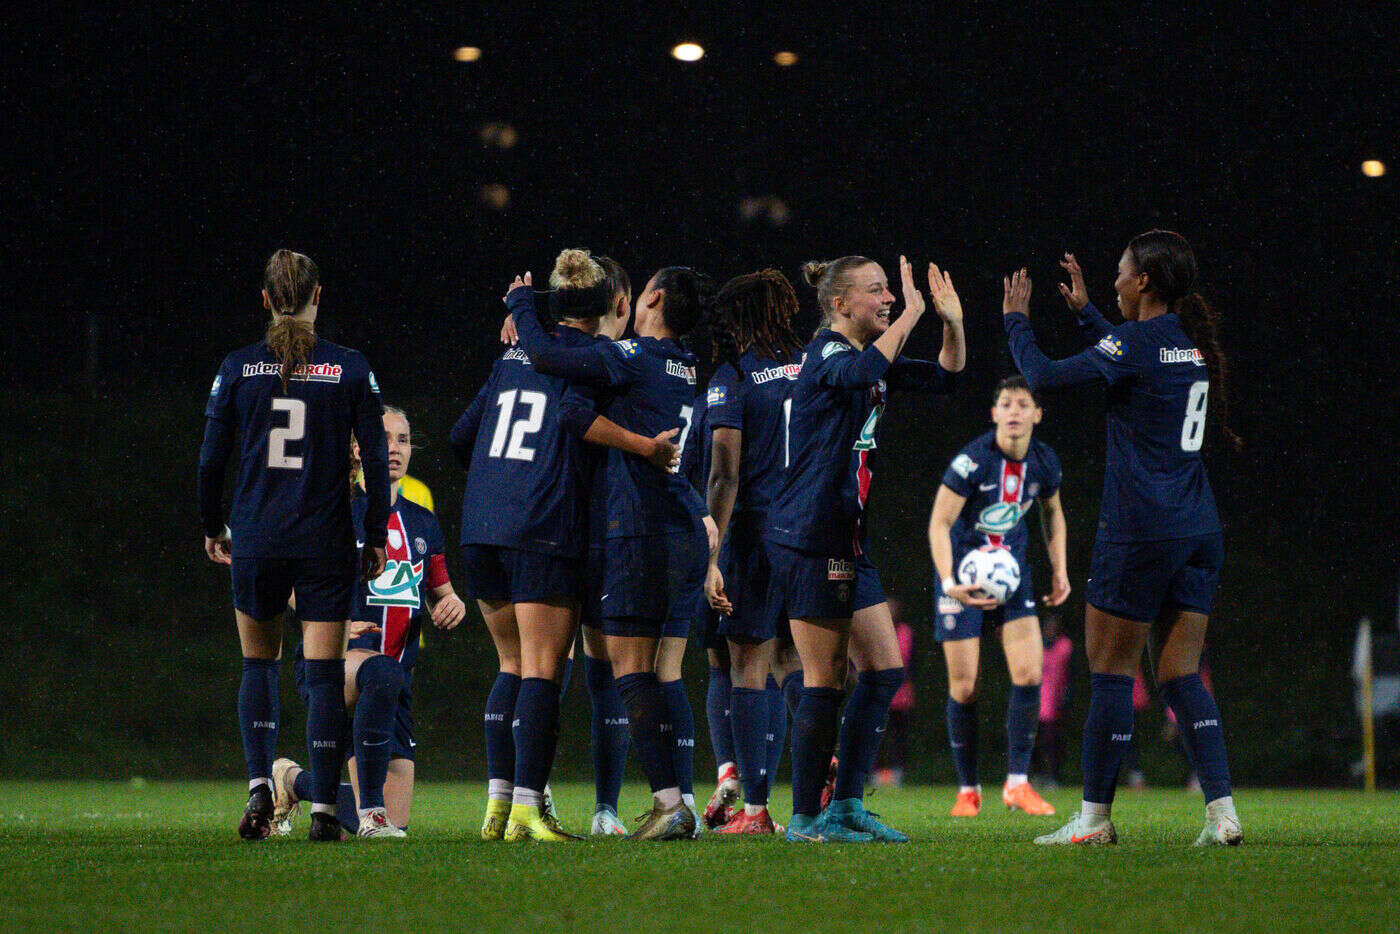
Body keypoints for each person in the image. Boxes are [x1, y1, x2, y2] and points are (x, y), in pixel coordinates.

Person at [1003, 238, 1243, 846]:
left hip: (1139, 532)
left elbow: (1042, 377)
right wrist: (1087, 312)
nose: (1112, 282)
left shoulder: (1135, 344)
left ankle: (1094, 820)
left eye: (1119, 274)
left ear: (1143, 282)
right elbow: (1133, 353)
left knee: (1110, 671)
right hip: (1198, 528)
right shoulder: (1182, 346)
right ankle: (1222, 815)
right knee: (1181, 674)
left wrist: (1016, 322)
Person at [457, 250, 680, 842]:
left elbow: (461, 436)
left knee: (510, 664)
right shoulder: (597, 357)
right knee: (543, 673)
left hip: (482, 528)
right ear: (615, 303)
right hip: (541, 527)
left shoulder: (511, 355)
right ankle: (529, 810)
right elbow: (571, 415)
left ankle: (497, 807)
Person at [510, 263, 719, 840]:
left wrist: (523, 307)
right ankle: (675, 801)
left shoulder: (634, 357)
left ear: (649, 298)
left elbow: (550, 360)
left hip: (638, 529)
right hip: (678, 527)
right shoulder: (687, 367)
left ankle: (670, 803)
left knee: (630, 673)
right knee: (659, 671)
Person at [767, 255, 965, 842]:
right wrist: (910, 315)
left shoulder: (871, 361)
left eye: (888, 291)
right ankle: (805, 818)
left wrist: (949, 322)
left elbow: (949, 375)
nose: (886, 299)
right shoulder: (829, 353)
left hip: (848, 539)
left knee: (882, 673)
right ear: (840, 304)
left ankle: (847, 804)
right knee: (825, 681)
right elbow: (856, 376)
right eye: (875, 291)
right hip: (809, 537)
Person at [198, 249, 390, 842]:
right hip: (325, 539)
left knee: (260, 662)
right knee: (326, 674)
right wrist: (376, 532)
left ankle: (260, 782)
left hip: (257, 535)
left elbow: (211, 461)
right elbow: (378, 462)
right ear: (317, 296)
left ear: (264, 300)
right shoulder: (351, 367)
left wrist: (214, 525)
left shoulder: (236, 367)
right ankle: (326, 814)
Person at [272, 406, 466, 837]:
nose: (394, 448)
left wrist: (455, 606)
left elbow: (442, 591)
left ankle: (292, 780)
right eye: (384, 438)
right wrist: (329, 618)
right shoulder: (334, 510)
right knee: (380, 673)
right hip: (336, 666)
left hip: (394, 681)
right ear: (358, 449)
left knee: (389, 827)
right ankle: (371, 811)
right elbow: (289, 586)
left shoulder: (424, 523)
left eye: (403, 439)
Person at [927, 374, 1069, 818]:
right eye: (1005, 403)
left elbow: (1053, 513)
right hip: (962, 578)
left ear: (1037, 415)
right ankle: (968, 789)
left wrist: (1060, 569)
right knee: (965, 687)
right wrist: (950, 582)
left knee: (1029, 675)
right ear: (993, 414)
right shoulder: (972, 462)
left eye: (1023, 404)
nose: (1013, 411)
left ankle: (1018, 784)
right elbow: (938, 523)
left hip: (1012, 575)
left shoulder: (1044, 462)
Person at [701, 269, 806, 834]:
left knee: (745, 665)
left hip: (756, 531)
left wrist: (711, 552)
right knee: (795, 658)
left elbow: (725, 472)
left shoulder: (734, 376)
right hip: (810, 529)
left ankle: (757, 809)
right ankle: (821, 777)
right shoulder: (815, 362)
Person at [875, 599, 913, 787]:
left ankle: (897, 772)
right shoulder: (875, 632)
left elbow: (913, 662)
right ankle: (878, 773)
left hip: (901, 693)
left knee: (898, 736)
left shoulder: (906, 632)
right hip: (879, 693)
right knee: (877, 735)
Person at [1033, 612, 1073, 786]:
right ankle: (1038, 774)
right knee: (1034, 741)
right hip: (1036, 701)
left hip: (1055, 702)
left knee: (1053, 742)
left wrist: (1067, 697)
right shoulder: (1036, 645)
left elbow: (1070, 674)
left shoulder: (1065, 646)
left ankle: (1053, 776)